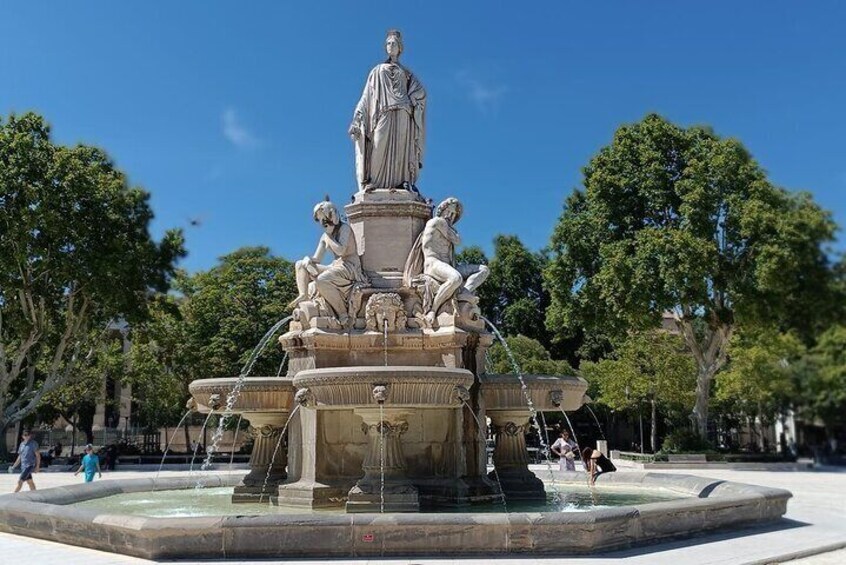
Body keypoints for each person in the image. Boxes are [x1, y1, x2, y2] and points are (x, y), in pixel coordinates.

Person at [349, 29, 426, 192]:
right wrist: (357, 119)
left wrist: (413, 100)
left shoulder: (406, 73)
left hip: (404, 111)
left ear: (400, 48)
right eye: (388, 44)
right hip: (383, 111)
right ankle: (374, 182)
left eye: (394, 44)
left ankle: (402, 181)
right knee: (378, 144)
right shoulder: (377, 70)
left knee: (401, 149)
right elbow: (366, 97)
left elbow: (420, 92)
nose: (391, 46)